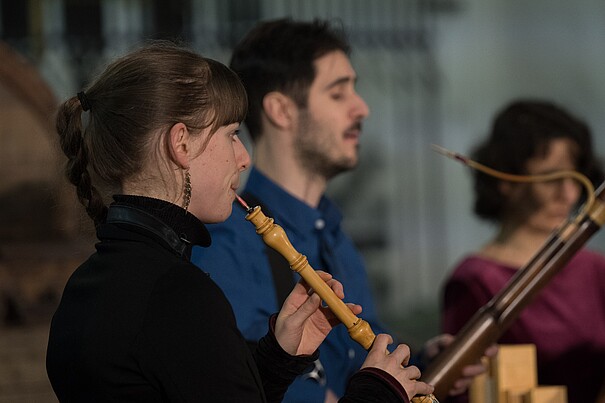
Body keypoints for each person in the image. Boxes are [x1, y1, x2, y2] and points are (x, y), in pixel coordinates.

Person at [45, 41, 435, 402]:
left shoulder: (87, 284)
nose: (243, 157)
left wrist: (279, 356)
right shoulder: (177, 292)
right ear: (180, 143)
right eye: (231, 134)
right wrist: (380, 391)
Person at [192, 18, 491, 403]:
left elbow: (357, 360)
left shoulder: (331, 232)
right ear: (281, 110)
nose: (362, 108)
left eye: (355, 90)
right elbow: (257, 385)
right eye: (338, 93)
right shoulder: (226, 244)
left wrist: (424, 362)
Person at [441, 99, 605, 403]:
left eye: (574, 177)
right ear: (506, 179)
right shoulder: (475, 280)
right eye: (552, 177)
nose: (569, 194)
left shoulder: (596, 270)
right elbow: (460, 392)